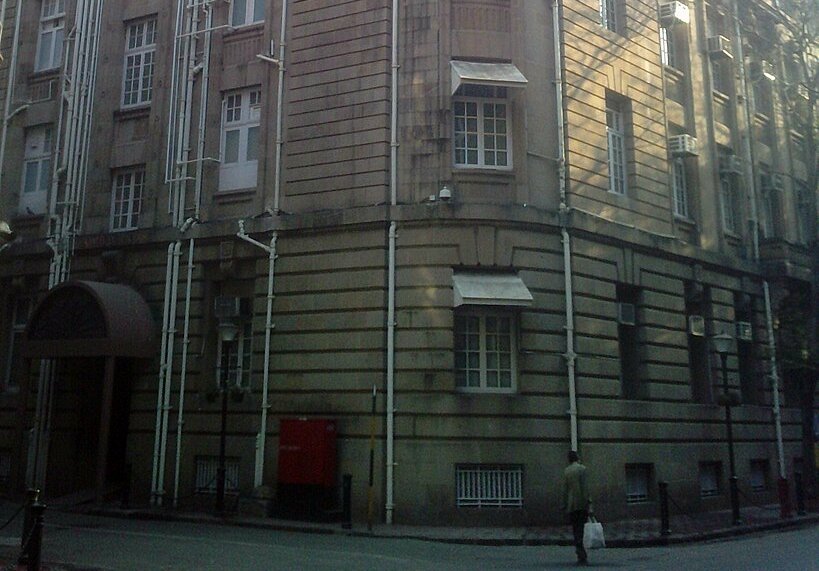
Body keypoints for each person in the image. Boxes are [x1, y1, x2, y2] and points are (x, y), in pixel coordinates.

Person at [563, 450, 592, 565]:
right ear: (577, 457)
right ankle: (581, 553)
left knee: (575, 529)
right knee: (581, 528)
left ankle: (579, 551)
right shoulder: (582, 469)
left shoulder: (567, 471)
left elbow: (565, 489)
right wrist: (589, 502)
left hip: (571, 505)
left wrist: (564, 503)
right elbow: (585, 488)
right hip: (581, 503)